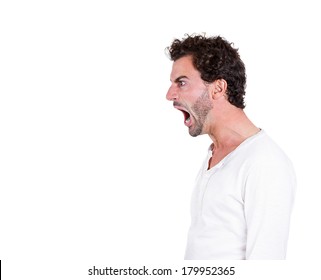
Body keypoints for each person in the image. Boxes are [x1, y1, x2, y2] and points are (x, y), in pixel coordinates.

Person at [165, 34, 296, 260]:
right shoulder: (215, 153)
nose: (170, 95)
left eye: (182, 82)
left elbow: (267, 265)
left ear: (218, 88)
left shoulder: (264, 162)